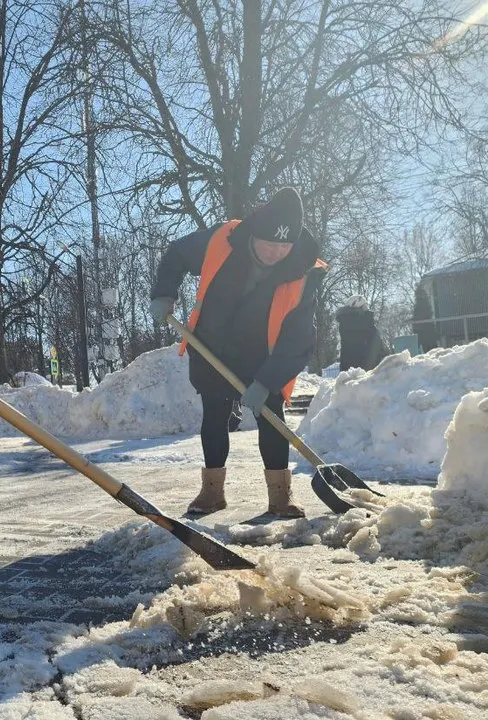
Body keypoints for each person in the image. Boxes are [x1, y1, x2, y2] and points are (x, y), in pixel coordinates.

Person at [149, 188, 326, 518]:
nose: (276, 253)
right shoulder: (223, 240)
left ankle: (280, 497)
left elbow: (299, 341)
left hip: (263, 355)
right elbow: (177, 255)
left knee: (271, 418)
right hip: (212, 345)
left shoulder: (304, 272)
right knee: (215, 414)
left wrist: (266, 382)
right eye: (269, 244)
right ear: (255, 233)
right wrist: (163, 293)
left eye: (284, 246)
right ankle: (212, 492)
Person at [336, 295, 389, 371]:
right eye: (365, 306)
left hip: (348, 370)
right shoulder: (366, 323)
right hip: (366, 371)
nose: (367, 309)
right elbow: (377, 347)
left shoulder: (344, 323)